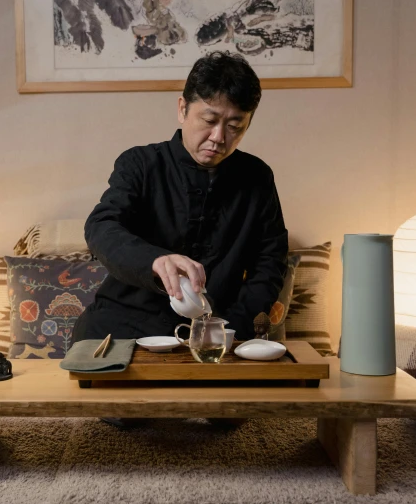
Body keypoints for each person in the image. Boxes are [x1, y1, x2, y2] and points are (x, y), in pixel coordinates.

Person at [76, 51, 288, 430]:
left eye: (236, 126)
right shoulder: (139, 164)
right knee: (132, 414)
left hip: (217, 331)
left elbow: (269, 262)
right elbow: (102, 227)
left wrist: (230, 328)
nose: (219, 138)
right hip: (126, 324)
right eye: (209, 120)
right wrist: (155, 261)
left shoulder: (257, 178)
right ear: (182, 109)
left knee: (230, 418)